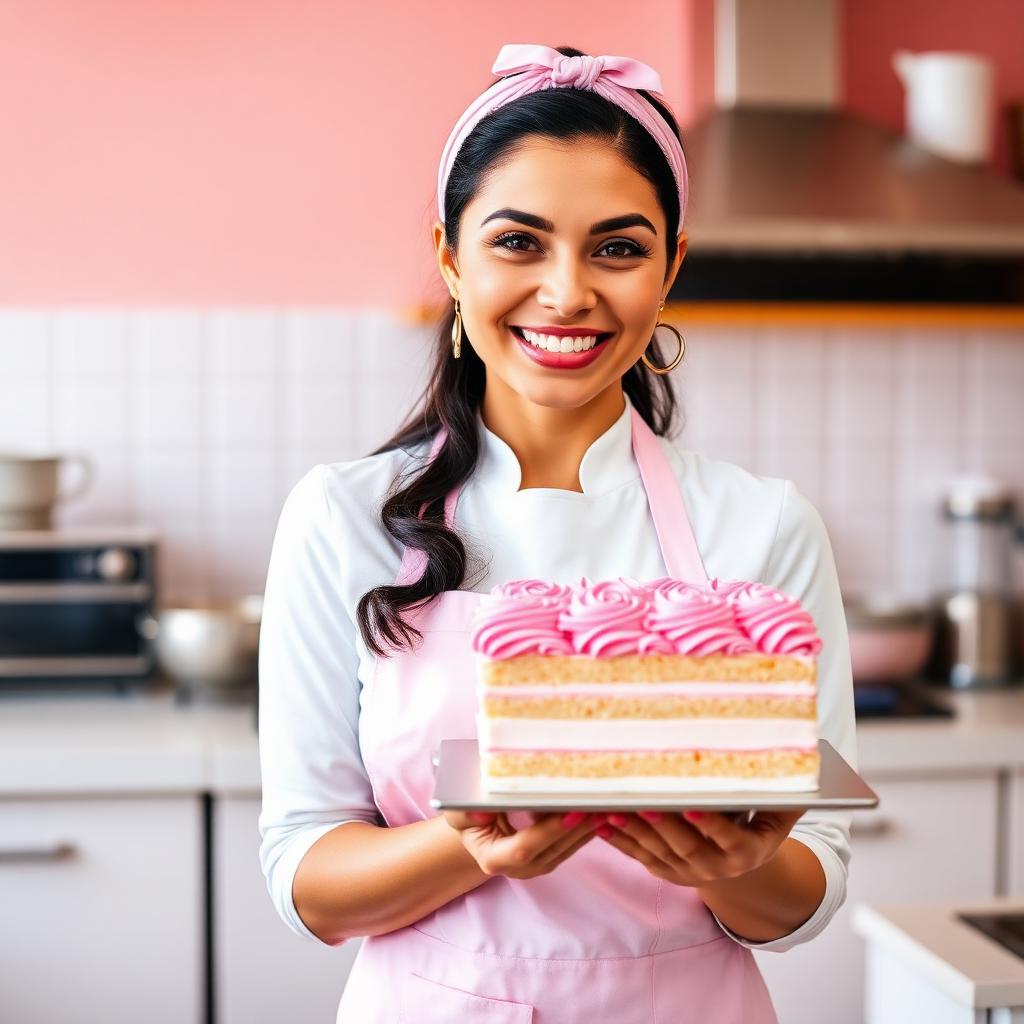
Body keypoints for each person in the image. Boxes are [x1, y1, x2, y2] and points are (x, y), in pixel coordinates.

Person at [258, 42, 857, 1023]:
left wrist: (737, 865)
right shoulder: (344, 518)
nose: (568, 293)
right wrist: (472, 841)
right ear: (450, 257)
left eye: (618, 247)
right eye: (518, 242)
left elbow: (805, 892)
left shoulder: (764, 526)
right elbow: (308, 877)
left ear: (671, 267)